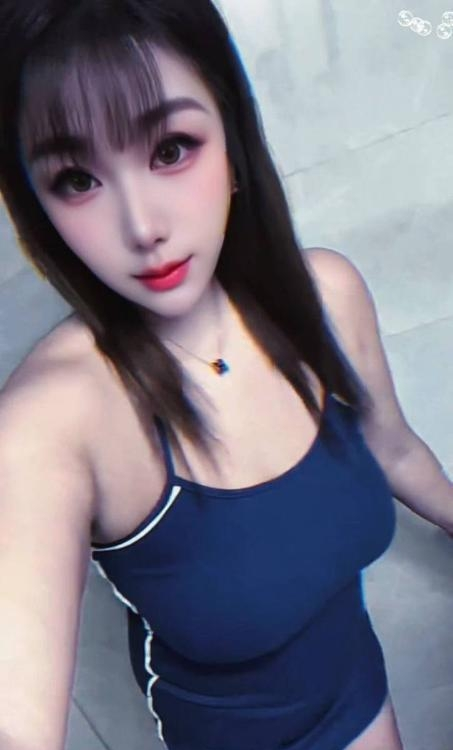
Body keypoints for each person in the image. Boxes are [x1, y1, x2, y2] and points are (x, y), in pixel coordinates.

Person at [0, 1, 452, 749]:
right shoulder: (54, 419)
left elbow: (395, 449)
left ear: (232, 141)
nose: (142, 226)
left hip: (362, 694)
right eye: (76, 179)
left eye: (171, 148)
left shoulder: (326, 296)